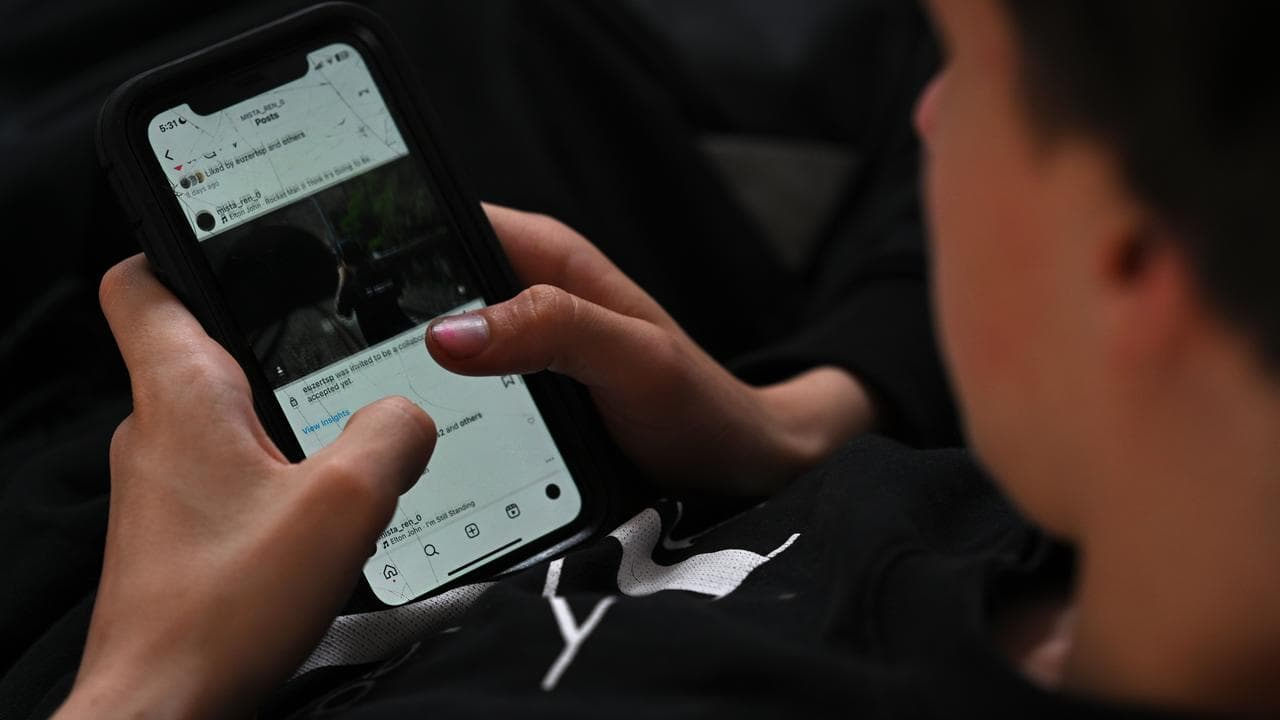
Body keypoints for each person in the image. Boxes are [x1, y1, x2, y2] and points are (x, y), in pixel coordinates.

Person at [27, 0, 1280, 716]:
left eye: (977, 81)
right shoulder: (1048, 520)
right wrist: (787, 422)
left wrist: (145, 681)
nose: (931, 115)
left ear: (1131, 265)